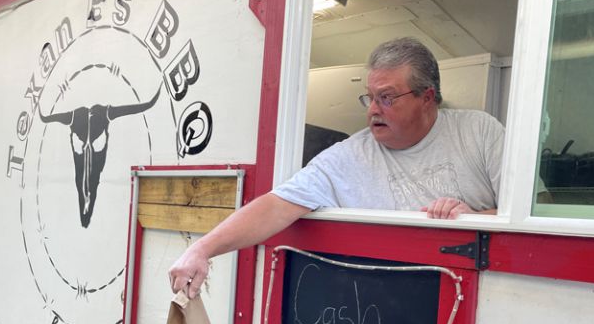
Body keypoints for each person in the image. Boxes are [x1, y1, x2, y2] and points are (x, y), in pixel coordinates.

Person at [170, 37, 504, 297]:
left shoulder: (479, 132)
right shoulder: (349, 155)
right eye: (369, 97)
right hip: (384, 303)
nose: (373, 110)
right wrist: (202, 249)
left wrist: (474, 218)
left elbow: (529, 212)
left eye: (387, 98)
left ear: (427, 97)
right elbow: (276, 205)